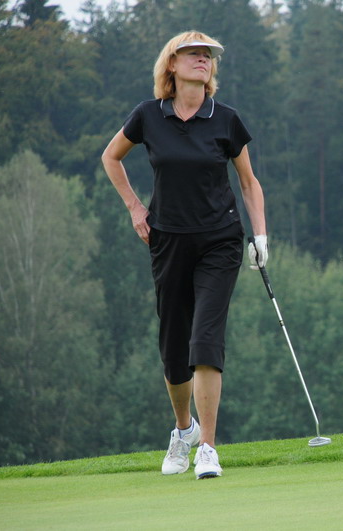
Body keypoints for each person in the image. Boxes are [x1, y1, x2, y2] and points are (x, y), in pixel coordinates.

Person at [101, 30, 268, 479]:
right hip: (169, 240)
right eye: (193, 53)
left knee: (205, 340)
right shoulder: (148, 115)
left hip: (220, 239)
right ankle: (184, 430)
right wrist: (135, 208)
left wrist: (260, 236)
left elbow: (249, 182)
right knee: (175, 349)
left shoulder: (226, 119)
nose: (202, 59)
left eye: (208, 55)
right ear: (171, 64)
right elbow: (111, 157)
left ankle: (208, 447)